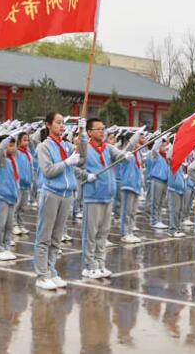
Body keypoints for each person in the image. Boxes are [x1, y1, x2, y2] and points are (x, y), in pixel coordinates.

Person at [79, 118, 140, 278]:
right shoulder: (84, 148)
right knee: (90, 234)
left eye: (103, 128)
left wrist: (126, 155)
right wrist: (86, 175)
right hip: (93, 196)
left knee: (103, 233)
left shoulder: (108, 148)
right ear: (90, 132)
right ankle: (89, 265)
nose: (102, 131)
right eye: (98, 129)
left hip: (108, 196)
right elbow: (74, 168)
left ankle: (100, 263)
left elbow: (120, 155)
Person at [33, 112, 80, 291]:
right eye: (58, 122)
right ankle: (41, 275)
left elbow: (82, 155)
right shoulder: (44, 147)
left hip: (66, 194)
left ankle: (51, 270)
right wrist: (67, 162)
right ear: (48, 124)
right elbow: (48, 171)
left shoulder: (66, 145)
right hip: (51, 192)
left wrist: (83, 133)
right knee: (44, 236)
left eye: (63, 123)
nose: (62, 126)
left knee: (56, 237)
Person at [0, 133, 20, 261]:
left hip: (12, 195)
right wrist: (7, 138)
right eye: (10, 146)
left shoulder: (13, 159)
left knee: (9, 225)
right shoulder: (0, 159)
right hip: (1, 195)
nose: (12, 148)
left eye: (14, 145)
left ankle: (7, 247)